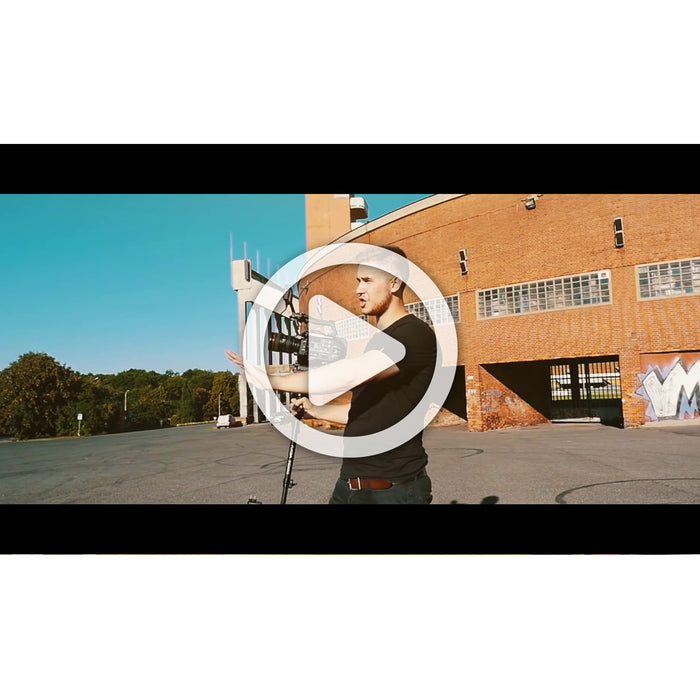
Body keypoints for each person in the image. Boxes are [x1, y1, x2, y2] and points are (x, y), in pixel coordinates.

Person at [226, 245, 437, 504]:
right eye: (358, 281)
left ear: (394, 283)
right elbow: (363, 412)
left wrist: (273, 380)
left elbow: (352, 373)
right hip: (349, 485)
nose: (358, 289)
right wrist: (316, 410)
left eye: (368, 280)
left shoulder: (414, 335)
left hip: (393, 489)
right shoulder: (377, 342)